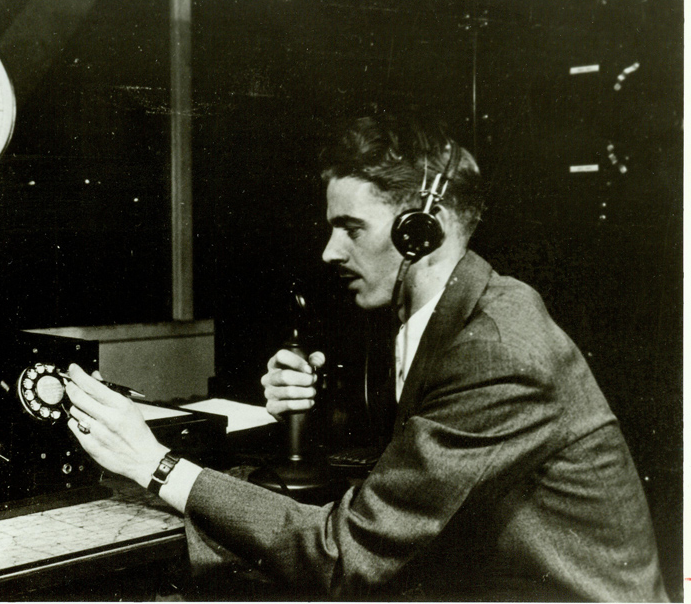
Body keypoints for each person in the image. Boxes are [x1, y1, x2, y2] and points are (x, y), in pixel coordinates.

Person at [63, 111, 667, 600]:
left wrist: (154, 463)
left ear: (419, 231)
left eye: (351, 228)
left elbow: (345, 558)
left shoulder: (498, 351)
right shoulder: (446, 320)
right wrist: (312, 409)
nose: (329, 251)